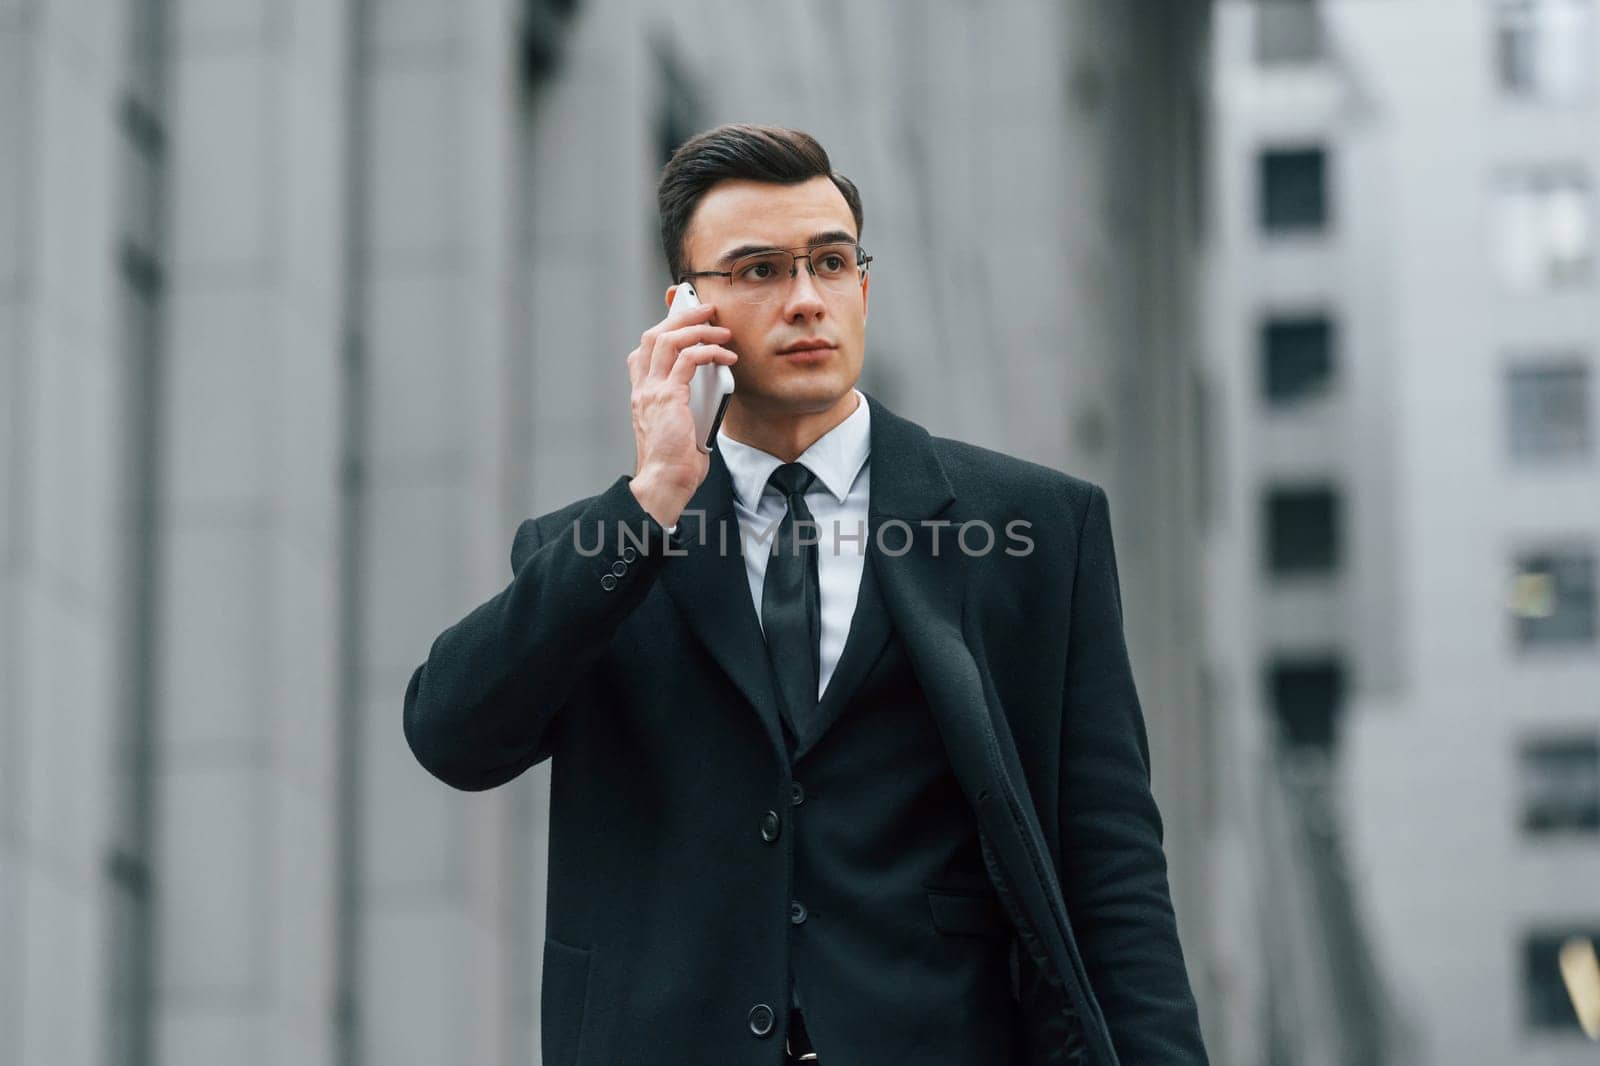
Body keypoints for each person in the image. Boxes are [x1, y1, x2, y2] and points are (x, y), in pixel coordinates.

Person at [403, 123, 1208, 1066]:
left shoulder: (1034, 529)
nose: (804, 300)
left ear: (863, 288)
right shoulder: (600, 551)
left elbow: (1114, 870)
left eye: (830, 262)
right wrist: (655, 495)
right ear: (684, 314)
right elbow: (452, 734)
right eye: (756, 271)